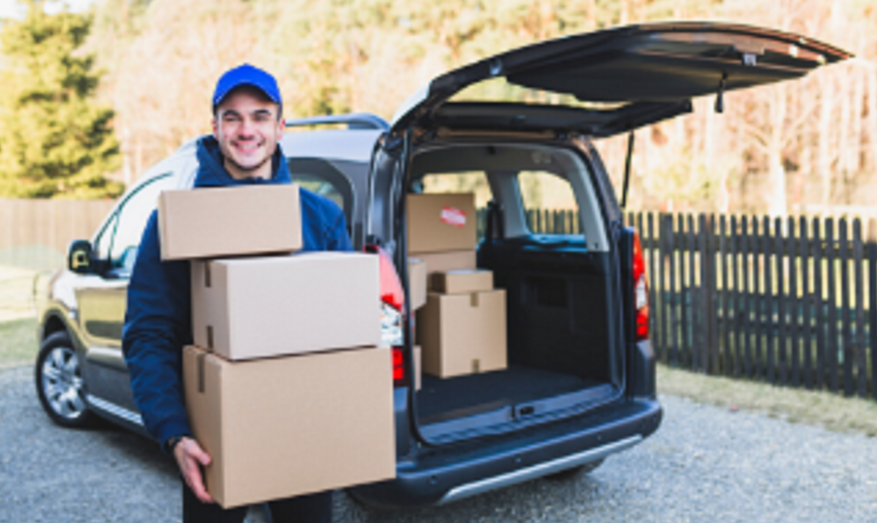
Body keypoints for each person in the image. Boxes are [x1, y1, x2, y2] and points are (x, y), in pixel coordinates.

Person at [122, 64, 351, 523]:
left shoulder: (320, 217)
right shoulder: (175, 221)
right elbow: (148, 332)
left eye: (260, 116)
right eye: (233, 117)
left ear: (280, 127)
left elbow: (342, 334)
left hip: (301, 430)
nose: (247, 130)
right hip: (212, 439)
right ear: (215, 127)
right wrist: (173, 432)